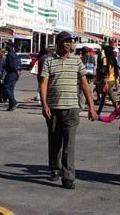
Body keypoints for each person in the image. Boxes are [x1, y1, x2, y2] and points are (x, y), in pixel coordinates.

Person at [40, 31, 97, 190]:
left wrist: (91, 107)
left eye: (70, 41)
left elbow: (85, 85)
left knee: (69, 145)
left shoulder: (77, 60)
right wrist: (44, 104)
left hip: (72, 109)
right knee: (55, 142)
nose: (68, 44)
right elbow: (43, 83)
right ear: (58, 43)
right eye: (65, 41)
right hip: (53, 109)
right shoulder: (49, 61)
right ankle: (55, 168)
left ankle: (68, 177)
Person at [97, 45, 120, 113]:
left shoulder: (105, 59)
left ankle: (118, 110)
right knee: (104, 96)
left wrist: (103, 77)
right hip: (112, 79)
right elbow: (117, 70)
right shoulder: (113, 59)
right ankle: (99, 111)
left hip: (107, 80)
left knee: (111, 96)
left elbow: (105, 70)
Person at [4, 41, 21, 111]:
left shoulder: (10, 55)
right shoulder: (15, 54)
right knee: (11, 90)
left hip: (11, 73)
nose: (6, 46)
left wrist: (16, 70)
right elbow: (19, 63)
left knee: (6, 88)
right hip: (14, 73)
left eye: (7, 45)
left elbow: (12, 66)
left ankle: (13, 102)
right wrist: (19, 70)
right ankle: (11, 106)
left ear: (10, 47)